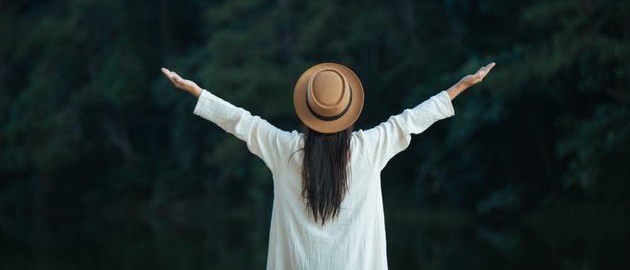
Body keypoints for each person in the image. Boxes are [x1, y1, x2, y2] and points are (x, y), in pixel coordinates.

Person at [161, 61, 495, 270]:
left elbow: (241, 122)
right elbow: (411, 121)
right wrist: (461, 87)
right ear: (348, 114)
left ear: (308, 113)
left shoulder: (285, 150)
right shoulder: (370, 148)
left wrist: (197, 92)